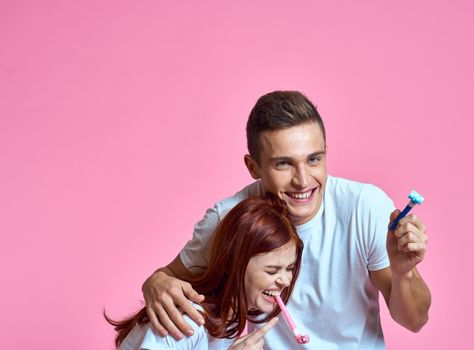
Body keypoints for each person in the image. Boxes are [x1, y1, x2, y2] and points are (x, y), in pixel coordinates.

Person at [142, 91, 431, 349]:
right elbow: (168, 279)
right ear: (253, 167)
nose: (303, 180)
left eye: (314, 160)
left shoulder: (364, 207)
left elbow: (415, 321)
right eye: (284, 163)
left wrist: (404, 272)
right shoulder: (230, 221)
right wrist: (155, 282)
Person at [106, 194, 304, 349]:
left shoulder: (226, 321)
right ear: (234, 264)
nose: (285, 281)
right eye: (272, 271)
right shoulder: (188, 320)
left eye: (289, 269)